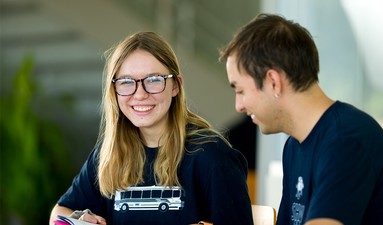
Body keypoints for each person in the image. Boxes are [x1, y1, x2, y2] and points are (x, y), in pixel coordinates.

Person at [49, 31, 253, 225]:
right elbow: (59, 213)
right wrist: (80, 220)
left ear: (175, 86)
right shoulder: (109, 154)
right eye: (126, 82)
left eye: (154, 80)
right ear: (114, 91)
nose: (139, 94)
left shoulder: (212, 157)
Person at [219, 13, 383, 225]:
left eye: (240, 90)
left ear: (273, 82)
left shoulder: (347, 140)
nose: (238, 106)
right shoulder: (294, 147)